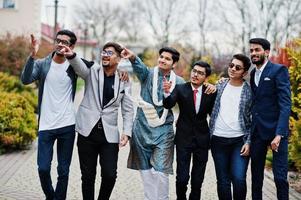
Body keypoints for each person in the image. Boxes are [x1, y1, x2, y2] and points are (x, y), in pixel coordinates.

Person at [61, 42, 134, 200]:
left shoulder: (124, 79)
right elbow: (79, 65)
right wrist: (71, 55)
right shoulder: (92, 70)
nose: (105, 55)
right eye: (104, 52)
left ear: (119, 58)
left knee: (109, 175)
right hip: (87, 132)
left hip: (109, 135)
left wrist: (127, 132)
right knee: (87, 176)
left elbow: (128, 108)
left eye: (110, 53)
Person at [120, 46, 184, 200]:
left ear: (174, 64)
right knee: (146, 170)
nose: (162, 60)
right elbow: (139, 67)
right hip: (142, 129)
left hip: (164, 132)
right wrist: (133, 57)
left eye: (167, 58)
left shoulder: (180, 82)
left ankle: (163, 198)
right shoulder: (148, 74)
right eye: (161, 56)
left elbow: (186, 104)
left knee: (161, 170)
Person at [20, 30, 78, 200]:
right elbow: (25, 79)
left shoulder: (74, 65)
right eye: (58, 40)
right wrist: (32, 55)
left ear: (71, 46)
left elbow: (93, 72)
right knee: (43, 168)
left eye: (65, 42)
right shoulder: (43, 64)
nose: (60, 44)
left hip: (67, 125)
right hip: (46, 125)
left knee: (63, 170)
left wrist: (120, 72)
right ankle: (51, 196)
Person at [163, 61, 217, 200]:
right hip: (183, 138)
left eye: (200, 73)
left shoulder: (209, 92)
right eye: (194, 71)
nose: (195, 74)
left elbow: (214, 114)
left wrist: (214, 87)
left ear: (206, 77)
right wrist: (166, 92)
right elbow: (169, 104)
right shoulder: (181, 88)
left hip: (202, 139)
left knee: (197, 180)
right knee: (182, 178)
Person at [249, 38, 291, 200]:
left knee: (280, 178)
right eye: (251, 50)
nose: (253, 53)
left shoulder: (278, 70)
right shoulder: (253, 74)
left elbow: (285, 104)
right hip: (258, 132)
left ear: (266, 52)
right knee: (256, 178)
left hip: (276, 132)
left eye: (257, 50)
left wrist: (279, 134)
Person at [209, 54, 252, 200]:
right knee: (223, 181)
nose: (233, 69)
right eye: (231, 65)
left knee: (239, 179)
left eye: (238, 67)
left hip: (239, 141)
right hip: (217, 140)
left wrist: (249, 142)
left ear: (244, 73)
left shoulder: (250, 91)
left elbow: (254, 120)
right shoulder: (219, 86)